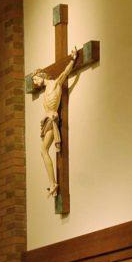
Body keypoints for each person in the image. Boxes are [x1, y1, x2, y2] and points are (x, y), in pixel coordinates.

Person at [33, 46, 78, 198]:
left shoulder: (55, 84)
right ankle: (52, 183)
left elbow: (65, 73)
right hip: (47, 121)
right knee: (43, 150)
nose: (35, 83)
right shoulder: (45, 90)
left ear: (41, 75)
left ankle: (53, 183)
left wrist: (73, 59)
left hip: (52, 119)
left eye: (35, 79)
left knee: (43, 150)